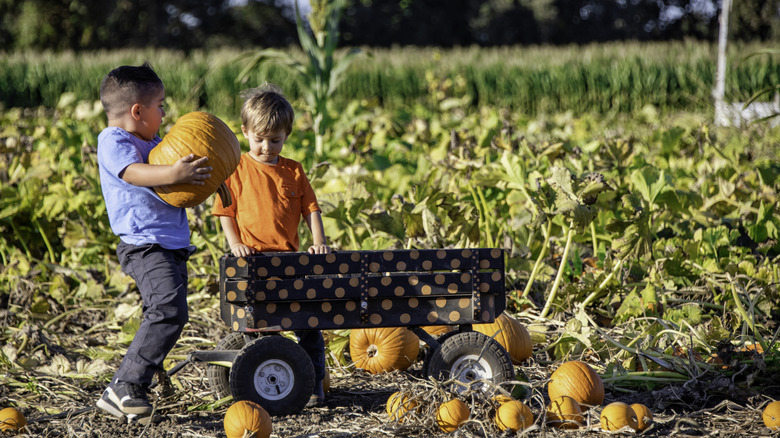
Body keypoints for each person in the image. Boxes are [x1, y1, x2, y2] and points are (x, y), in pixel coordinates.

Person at [95, 62, 212, 424]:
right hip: (144, 245)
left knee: (172, 313)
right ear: (137, 111)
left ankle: (136, 384)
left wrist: (204, 179)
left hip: (171, 244)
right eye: (160, 105)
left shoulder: (156, 143)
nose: (164, 112)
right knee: (167, 310)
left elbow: (175, 186)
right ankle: (125, 385)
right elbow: (133, 172)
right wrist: (174, 172)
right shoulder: (114, 141)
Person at [212, 84, 329, 407]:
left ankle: (315, 385)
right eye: (259, 139)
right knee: (257, 325)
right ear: (245, 132)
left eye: (275, 140)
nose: (266, 147)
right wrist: (235, 243)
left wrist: (318, 242)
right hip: (253, 261)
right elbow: (225, 212)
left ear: (286, 136)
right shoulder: (235, 169)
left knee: (308, 326)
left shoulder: (293, 170)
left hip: (290, 262)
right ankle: (260, 380)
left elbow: (311, 209)